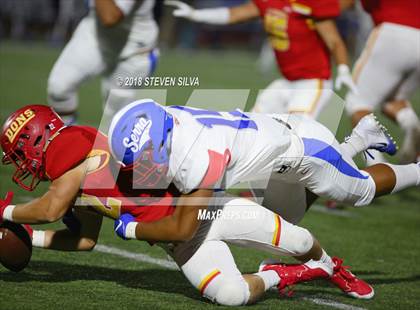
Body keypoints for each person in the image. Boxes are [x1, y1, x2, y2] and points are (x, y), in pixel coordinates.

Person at [0, 104, 377, 306]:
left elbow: (50, 208)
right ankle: (288, 275)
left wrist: (5, 213)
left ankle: (330, 266)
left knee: (300, 240)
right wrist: (29, 238)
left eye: (19, 154)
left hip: (205, 212)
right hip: (180, 241)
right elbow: (85, 241)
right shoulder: (72, 172)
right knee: (230, 296)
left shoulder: (71, 153)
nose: (20, 163)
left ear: (37, 140)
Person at [165, 0, 356, 118]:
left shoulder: (309, 3)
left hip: (313, 82)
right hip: (286, 82)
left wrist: (344, 69)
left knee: (297, 138)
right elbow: (234, 14)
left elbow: (334, 41)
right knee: (252, 126)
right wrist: (196, 14)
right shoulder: (267, 1)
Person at [47, 0, 159, 124]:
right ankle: (70, 139)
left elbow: (110, 16)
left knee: (118, 123)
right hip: (95, 34)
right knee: (59, 88)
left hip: (133, 51)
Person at [345, 0, 420, 164]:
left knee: (357, 102)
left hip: (393, 31)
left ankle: (376, 163)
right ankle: (411, 124)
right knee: (393, 100)